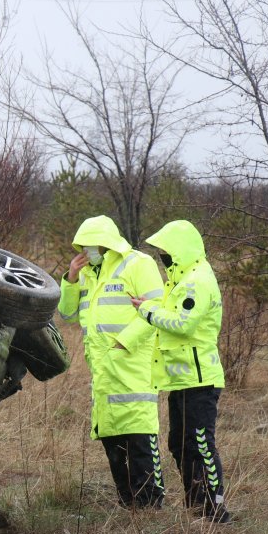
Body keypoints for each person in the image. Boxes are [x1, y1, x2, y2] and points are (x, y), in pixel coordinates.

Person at [126, 220, 232, 523]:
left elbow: (183, 324)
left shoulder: (196, 281)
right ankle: (196, 505)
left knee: (200, 442)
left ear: (180, 250)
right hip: (182, 379)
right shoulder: (183, 278)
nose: (163, 257)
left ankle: (214, 508)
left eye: (166, 251)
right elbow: (176, 312)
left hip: (200, 380)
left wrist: (146, 311)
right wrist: (154, 306)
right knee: (179, 443)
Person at [58, 215, 167, 508]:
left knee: (139, 434)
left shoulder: (138, 264)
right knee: (112, 438)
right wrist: (70, 278)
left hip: (132, 366)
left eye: (93, 245)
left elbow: (157, 310)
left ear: (108, 244)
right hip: (103, 372)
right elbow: (66, 314)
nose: (88, 250)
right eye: (84, 246)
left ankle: (150, 503)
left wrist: (124, 343)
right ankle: (128, 502)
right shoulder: (87, 275)